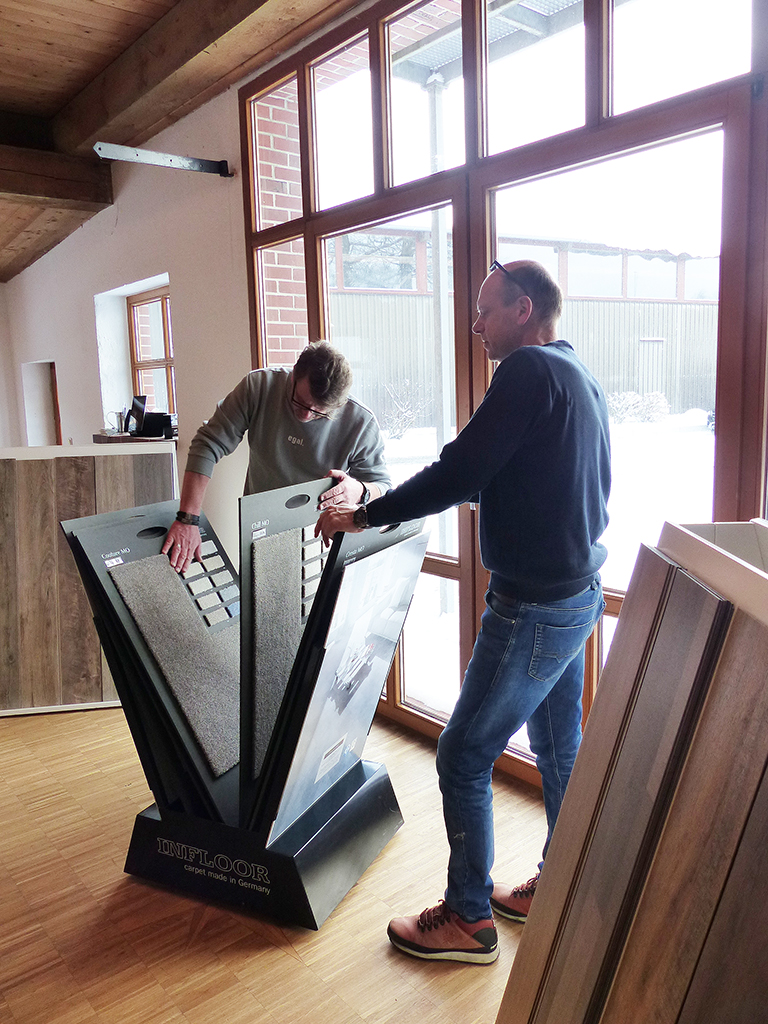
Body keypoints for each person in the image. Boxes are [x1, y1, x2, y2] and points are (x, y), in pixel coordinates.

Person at [315, 260, 610, 964]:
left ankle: (468, 918)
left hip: (533, 605)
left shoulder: (528, 370)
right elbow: (509, 476)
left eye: (485, 310)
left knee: (463, 753)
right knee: (559, 747)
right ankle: (563, 883)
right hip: (576, 597)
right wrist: (386, 493)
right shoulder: (577, 374)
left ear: (524, 309)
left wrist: (365, 514)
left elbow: (462, 470)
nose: (475, 325)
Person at [163, 341, 391, 573]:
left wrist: (360, 490)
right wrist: (188, 519)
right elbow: (208, 443)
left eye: (319, 412)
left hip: (322, 540)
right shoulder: (259, 386)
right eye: (300, 402)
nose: (305, 415)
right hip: (260, 531)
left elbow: (382, 486)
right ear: (294, 375)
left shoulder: (361, 422)